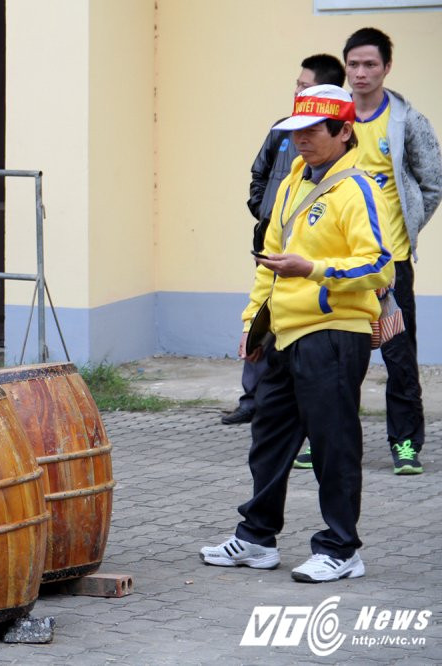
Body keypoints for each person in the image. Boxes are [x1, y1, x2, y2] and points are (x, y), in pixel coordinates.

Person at [201, 85, 394, 583]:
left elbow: (379, 264)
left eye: (313, 131)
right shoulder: (291, 182)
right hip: (284, 334)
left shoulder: (358, 190)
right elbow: (268, 261)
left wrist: (313, 269)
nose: (301, 140)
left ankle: (341, 548)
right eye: (296, 132)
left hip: (334, 332)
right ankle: (257, 538)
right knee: (268, 439)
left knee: (333, 444)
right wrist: (253, 322)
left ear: (344, 132)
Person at [318, 27, 441, 475]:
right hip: (339, 263)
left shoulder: (407, 121)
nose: (361, 72)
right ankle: (323, 439)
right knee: (333, 356)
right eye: (353, 64)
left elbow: (432, 183)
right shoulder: (333, 118)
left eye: (370, 64)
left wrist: (403, 231)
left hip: (390, 264)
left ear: (387, 67)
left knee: (398, 354)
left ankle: (405, 443)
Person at [222, 54, 345, 428]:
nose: (297, 91)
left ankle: (296, 412)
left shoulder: (344, 152)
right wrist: (266, 212)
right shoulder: (282, 129)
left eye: (305, 86)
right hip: (273, 239)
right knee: (262, 312)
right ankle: (251, 399)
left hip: (315, 263)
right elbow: (258, 173)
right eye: (297, 84)